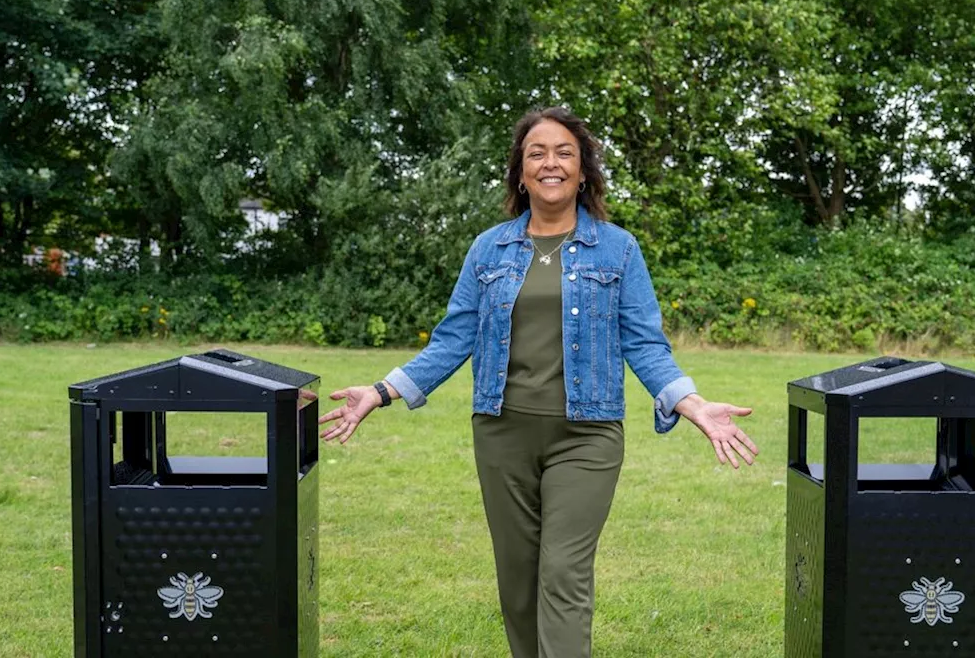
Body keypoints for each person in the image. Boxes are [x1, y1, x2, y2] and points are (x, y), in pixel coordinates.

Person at [316, 106, 758, 657]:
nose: (551, 163)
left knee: (563, 575)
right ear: (520, 174)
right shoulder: (488, 249)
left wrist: (690, 403)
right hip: (502, 434)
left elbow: (644, 343)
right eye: (537, 153)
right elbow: (454, 338)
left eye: (565, 152)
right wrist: (380, 393)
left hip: (587, 436)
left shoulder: (618, 250)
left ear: (584, 171)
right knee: (518, 583)